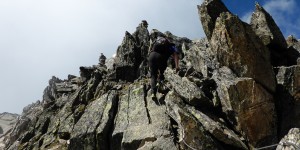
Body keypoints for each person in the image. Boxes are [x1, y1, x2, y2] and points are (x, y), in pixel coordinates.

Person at [148, 30, 179, 98]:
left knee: (153, 75)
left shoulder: (158, 41)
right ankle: (160, 82)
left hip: (152, 56)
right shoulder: (172, 45)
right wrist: (177, 67)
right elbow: (175, 55)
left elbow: (151, 48)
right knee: (163, 72)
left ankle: (153, 92)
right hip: (161, 58)